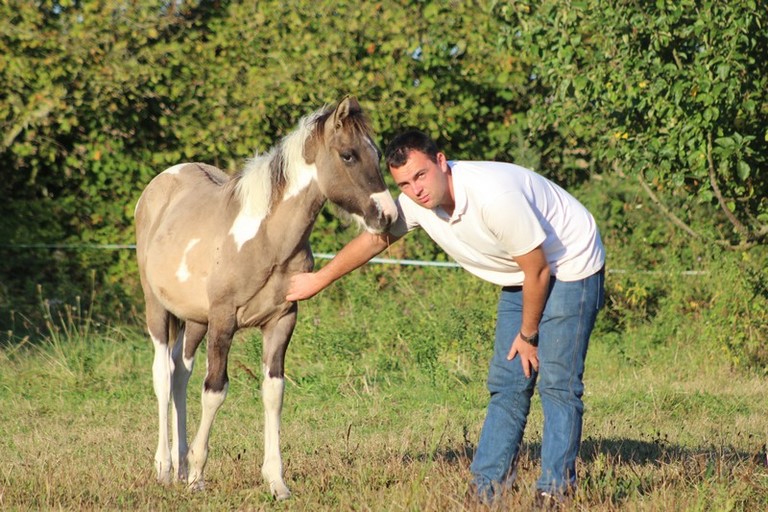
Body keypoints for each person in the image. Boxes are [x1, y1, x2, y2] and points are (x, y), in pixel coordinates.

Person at [286, 130, 605, 505]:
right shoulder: (416, 203)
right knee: (508, 383)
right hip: (522, 271)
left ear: (441, 161)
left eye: (420, 175)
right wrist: (318, 280)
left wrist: (528, 335)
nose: (416, 190)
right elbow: (376, 239)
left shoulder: (494, 197)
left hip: (570, 262)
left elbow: (539, 270)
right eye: (404, 184)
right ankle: (486, 490)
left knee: (557, 383)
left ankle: (555, 491)